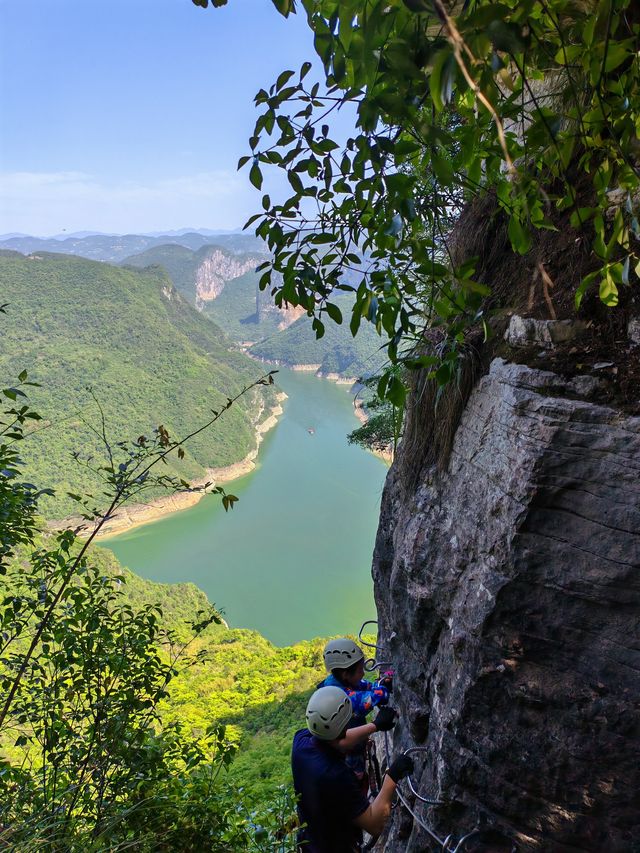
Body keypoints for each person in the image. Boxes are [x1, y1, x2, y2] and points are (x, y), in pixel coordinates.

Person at [291, 685, 414, 853]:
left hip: (310, 841)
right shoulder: (335, 775)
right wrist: (392, 777)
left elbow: (335, 740)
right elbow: (373, 823)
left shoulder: (300, 743)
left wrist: (375, 726)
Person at [319, 638, 392, 783]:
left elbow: (364, 686)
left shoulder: (337, 679)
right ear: (346, 674)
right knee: (356, 777)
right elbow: (365, 700)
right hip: (348, 752)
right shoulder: (341, 698)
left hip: (353, 742)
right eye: (360, 671)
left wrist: (380, 684)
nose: (363, 673)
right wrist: (383, 692)